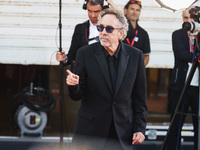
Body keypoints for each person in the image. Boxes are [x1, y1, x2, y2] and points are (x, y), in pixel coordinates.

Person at [66, 8, 147, 150]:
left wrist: (139, 128)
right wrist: (73, 85)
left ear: (121, 33)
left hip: (121, 133)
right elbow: (76, 95)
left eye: (109, 29)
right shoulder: (85, 54)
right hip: (91, 132)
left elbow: (140, 98)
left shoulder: (135, 56)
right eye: (100, 27)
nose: (103, 32)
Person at [167, 8, 199, 150]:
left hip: (198, 88)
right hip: (180, 86)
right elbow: (181, 54)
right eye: (185, 18)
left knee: (198, 126)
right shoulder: (177, 34)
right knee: (176, 125)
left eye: (191, 18)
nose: (188, 21)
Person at [56, 0, 104, 66]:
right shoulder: (80, 28)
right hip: (85, 72)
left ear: (103, 10)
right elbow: (72, 55)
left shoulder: (110, 28)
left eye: (96, 12)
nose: (92, 15)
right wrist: (64, 58)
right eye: (89, 11)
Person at [123, 0, 151, 66]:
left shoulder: (143, 33)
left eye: (137, 10)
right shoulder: (118, 30)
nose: (135, 12)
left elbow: (146, 56)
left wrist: (138, 70)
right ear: (125, 10)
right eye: (132, 9)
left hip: (135, 73)